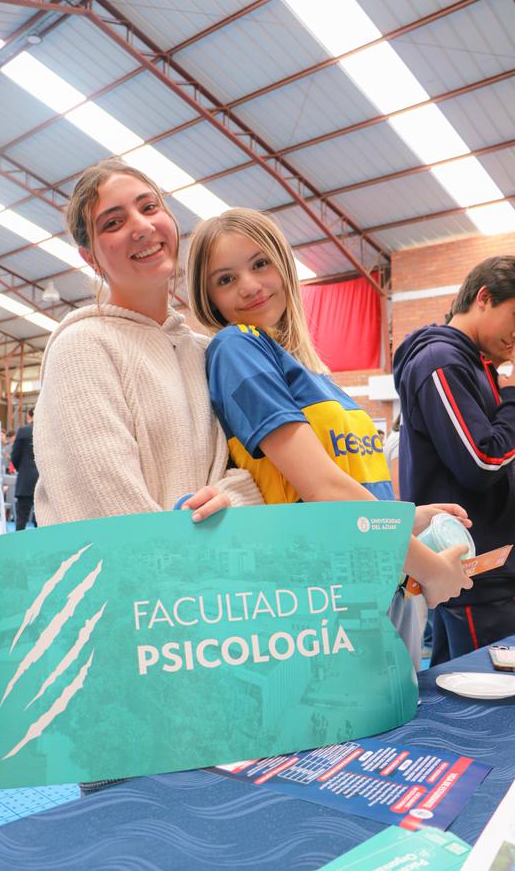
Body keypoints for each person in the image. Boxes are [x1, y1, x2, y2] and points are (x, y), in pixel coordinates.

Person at [33, 158, 262, 793]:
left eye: (150, 206)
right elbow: (108, 515)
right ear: (90, 257)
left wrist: (232, 497)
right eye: (113, 221)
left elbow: (246, 474)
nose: (140, 225)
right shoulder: (82, 347)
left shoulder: (204, 350)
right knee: (137, 821)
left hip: (206, 635)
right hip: (126, 648)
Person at [186, 207, 473, 614]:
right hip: (319, 594)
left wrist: (403, 520)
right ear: (209, 297)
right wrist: (430, 568)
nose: (249, 286)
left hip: (370, 577)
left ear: (282, 265)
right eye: (226, 279)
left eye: (260, 264)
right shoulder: (237, 347)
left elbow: (342, 480)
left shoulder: (309, 371)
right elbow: (321, 488)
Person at [393, 256, 515, 664]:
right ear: (484, 297)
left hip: (485, 572)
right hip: (476, 574)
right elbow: (481, 461)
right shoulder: (440, 361)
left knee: (462, 689)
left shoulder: (478, 366)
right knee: (490, 693)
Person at [11, 408, 39, 531]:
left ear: (29, 416)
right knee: (43, 517)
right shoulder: (48, 432)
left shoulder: (24, 431)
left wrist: (22, 469)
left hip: (26, 478)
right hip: (44, 478)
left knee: (22, 516)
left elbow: (15, 456)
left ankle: (19, 541)